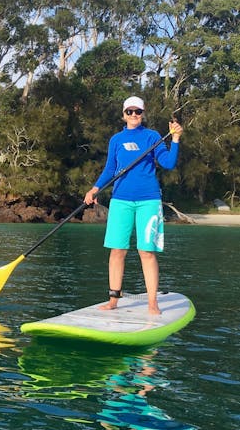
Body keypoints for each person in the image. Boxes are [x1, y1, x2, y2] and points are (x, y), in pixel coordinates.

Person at [83, 96, 183, 315]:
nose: (134, 115)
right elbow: (110, 169)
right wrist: (94, 189)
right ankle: (112, 300)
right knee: (117, 250)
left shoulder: (153, 137)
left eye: (138, 111)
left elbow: (168, 163)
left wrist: (175, 139)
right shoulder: (116, 140)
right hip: (120, 200)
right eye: (130, 111)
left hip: (148, 200)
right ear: (123, 114)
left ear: (143, 113)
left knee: (146, 251)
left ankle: (152, 303)